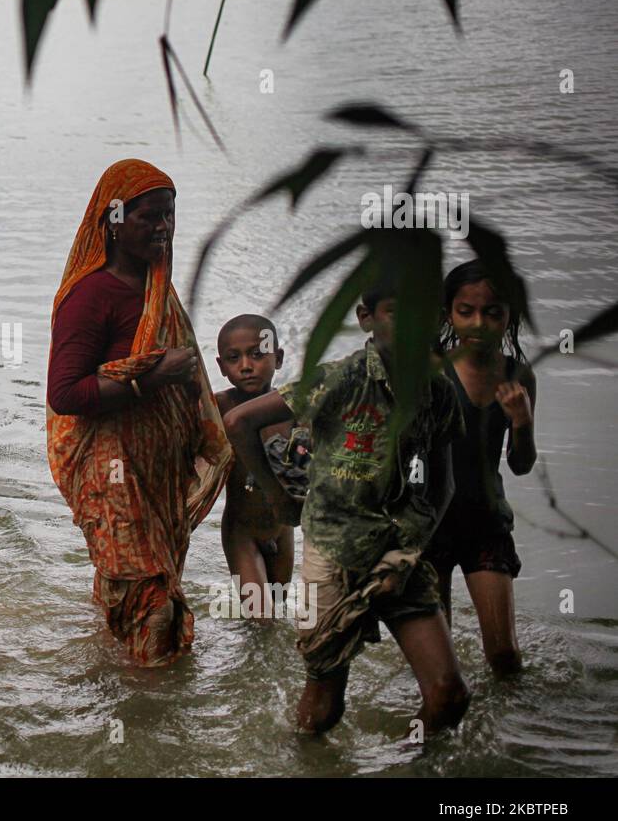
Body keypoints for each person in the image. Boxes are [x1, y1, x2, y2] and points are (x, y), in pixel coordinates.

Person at [224, 279, 471, 735]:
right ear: (367, 319)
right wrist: (279, 497)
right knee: (324, 707)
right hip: (333, 553)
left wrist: (409, 550)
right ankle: (299, 764)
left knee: (450, 696)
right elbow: (239, 421)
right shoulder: (340, 379)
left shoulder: (436, 393)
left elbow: (442, 485)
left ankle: (407, 765)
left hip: (397, 553)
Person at [45, 159, 232, 667]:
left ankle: (114, 679)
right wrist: (151, 378)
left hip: (156, 476)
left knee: (140, 588)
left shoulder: (155, 288)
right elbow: (65, 393)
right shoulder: (90, 296)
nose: (162, 228)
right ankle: (150, 724)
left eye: (169, 216)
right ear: (114, 219)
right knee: (152, 602)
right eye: (148, 216)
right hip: (113, 475)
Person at [426, 259, 536, 676]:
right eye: (465, 311)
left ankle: (508, 736)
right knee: (440, 665)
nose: (479, 323)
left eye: (493, 312)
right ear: (448, 314)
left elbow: (520, 465)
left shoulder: (517, 375)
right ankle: (444, 738)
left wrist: (522, 421)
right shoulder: (430, 370)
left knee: (505, 658)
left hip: (486, 523)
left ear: (510, 317)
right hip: (431, 526)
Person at [213, 314, 295, 617]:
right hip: (241, 531)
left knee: (277, 611)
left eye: (257, 354)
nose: (246, 365)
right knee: (262, 616)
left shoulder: (290, 406)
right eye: (234, 358)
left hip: (283, 529)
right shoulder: (219, 407)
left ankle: (263, 662)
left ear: (278, 358)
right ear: (222, 367)